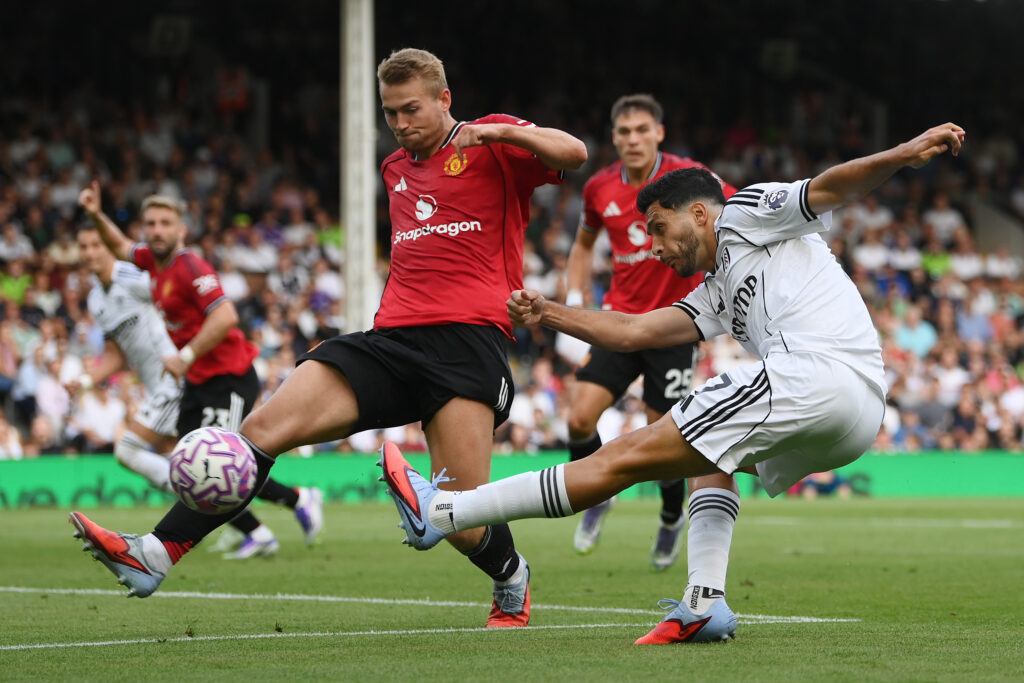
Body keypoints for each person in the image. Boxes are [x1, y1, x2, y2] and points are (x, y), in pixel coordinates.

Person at [379, 123, 965, 643]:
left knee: (627, 454)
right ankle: (705, 603)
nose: (654, 249)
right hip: (856, 414)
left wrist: (903, 153)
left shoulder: (747, 211)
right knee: (714, 458)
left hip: (817, 375)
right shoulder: (713, 291)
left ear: (701, 214)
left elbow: (830, 188)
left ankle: (446, 511)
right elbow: (634, 332)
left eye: (659, 230)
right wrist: (549, 313)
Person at [68, 47, 587, 627]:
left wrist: (494, 134)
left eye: (411, 109)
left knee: (461, 519)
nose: (400, 123)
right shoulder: (394, 168)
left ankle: (511, 576)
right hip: (390, 341)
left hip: (467, 345)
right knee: (259, 432)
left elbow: (575, 152)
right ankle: (155, 554)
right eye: (390, 113)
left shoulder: (495, 144)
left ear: (444, 99)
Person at [70, 186, 324, 567]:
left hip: (229, 376)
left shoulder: (191, 268)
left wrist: (184, 356)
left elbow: (226, 317)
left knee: (222, 463)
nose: (156, 230)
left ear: (181, 230)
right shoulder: (151, 264)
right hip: (198, 381)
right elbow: (119, 243)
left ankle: (275, 516)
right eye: (151, 224)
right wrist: (94, 214)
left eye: (165, 223)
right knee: (191, 462)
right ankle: (279, 511)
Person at [565, 93, 737, 570]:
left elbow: (733, 212)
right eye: (623, 132)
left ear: (659, 133)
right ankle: (599, 495)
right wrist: (577, 298)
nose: (632, 139)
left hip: (673, 325)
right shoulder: (598, 188)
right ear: (613, 138)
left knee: (660, 437)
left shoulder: (691, 177)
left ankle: (669, 517)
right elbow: (583, 246)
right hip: (620, 320)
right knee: (579, 418)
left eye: (642, 130)